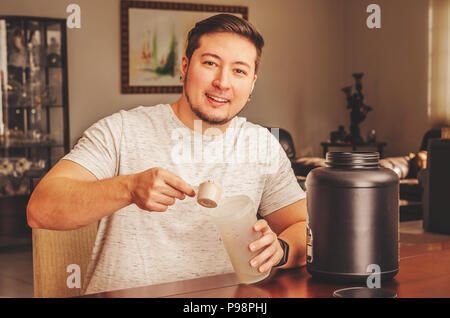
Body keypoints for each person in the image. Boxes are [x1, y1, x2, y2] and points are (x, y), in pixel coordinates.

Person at [27, 14, 307, 295]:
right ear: (185, 67)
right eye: (210, 63)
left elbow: (304, 228)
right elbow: (41, 209)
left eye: (239, 71)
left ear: (252, 85)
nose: (223, 82)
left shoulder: (262, 145)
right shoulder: (121, 130)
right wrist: (128, 188)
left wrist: (281, 250)